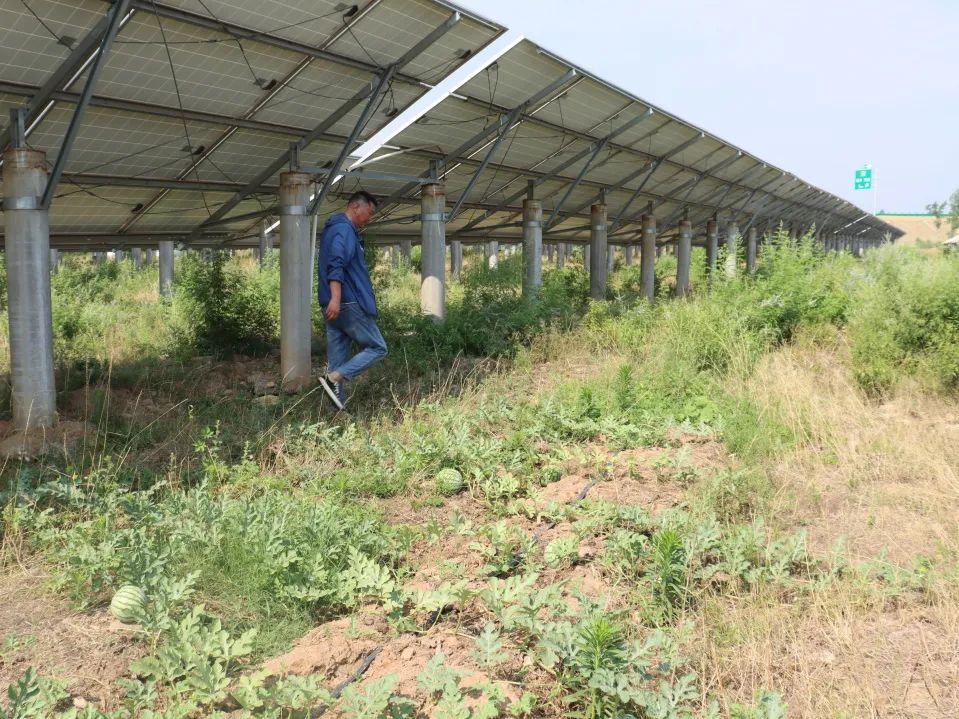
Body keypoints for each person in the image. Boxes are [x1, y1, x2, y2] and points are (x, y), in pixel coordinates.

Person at [316, 191, 387, 410]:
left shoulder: (335, 229)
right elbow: (336, 265)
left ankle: (335, 413)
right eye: (370, 211)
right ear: (357, 206)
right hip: (346, 303)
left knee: (336, 360)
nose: (370, 217)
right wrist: (337, 298)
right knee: (378, 348)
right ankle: (335, 377)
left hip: (333, 305)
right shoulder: (344, 229)